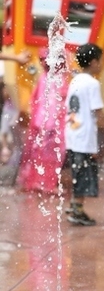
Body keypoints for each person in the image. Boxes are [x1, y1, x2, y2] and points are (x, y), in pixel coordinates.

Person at [65, 43, 104, 226]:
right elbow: (98, 112)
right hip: (84, 137)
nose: (101, 64)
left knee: (78, 172)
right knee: (85, 173)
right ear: (94, 62)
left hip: (72, 133)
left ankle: (74, 206)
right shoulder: (92, 83)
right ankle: (77, 210)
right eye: (100, 60)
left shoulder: (75, 80)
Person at [17, 47, 69, 194]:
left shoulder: (44, 77)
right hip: (50, 125)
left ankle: (34, 181)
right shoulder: (58, 79)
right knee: (51, 156)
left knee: (36, 153)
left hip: (39, 123)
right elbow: (54, 104)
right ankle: (46, 184)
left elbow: (36, 101)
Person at [0, 83, 19, 164]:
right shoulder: (6, 87)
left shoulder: (17, 87)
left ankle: (15, 149)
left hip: (15, 109)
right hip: (8, 109)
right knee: (4, 130)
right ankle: (5, 148)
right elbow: (5, 96)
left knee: (14, 129)